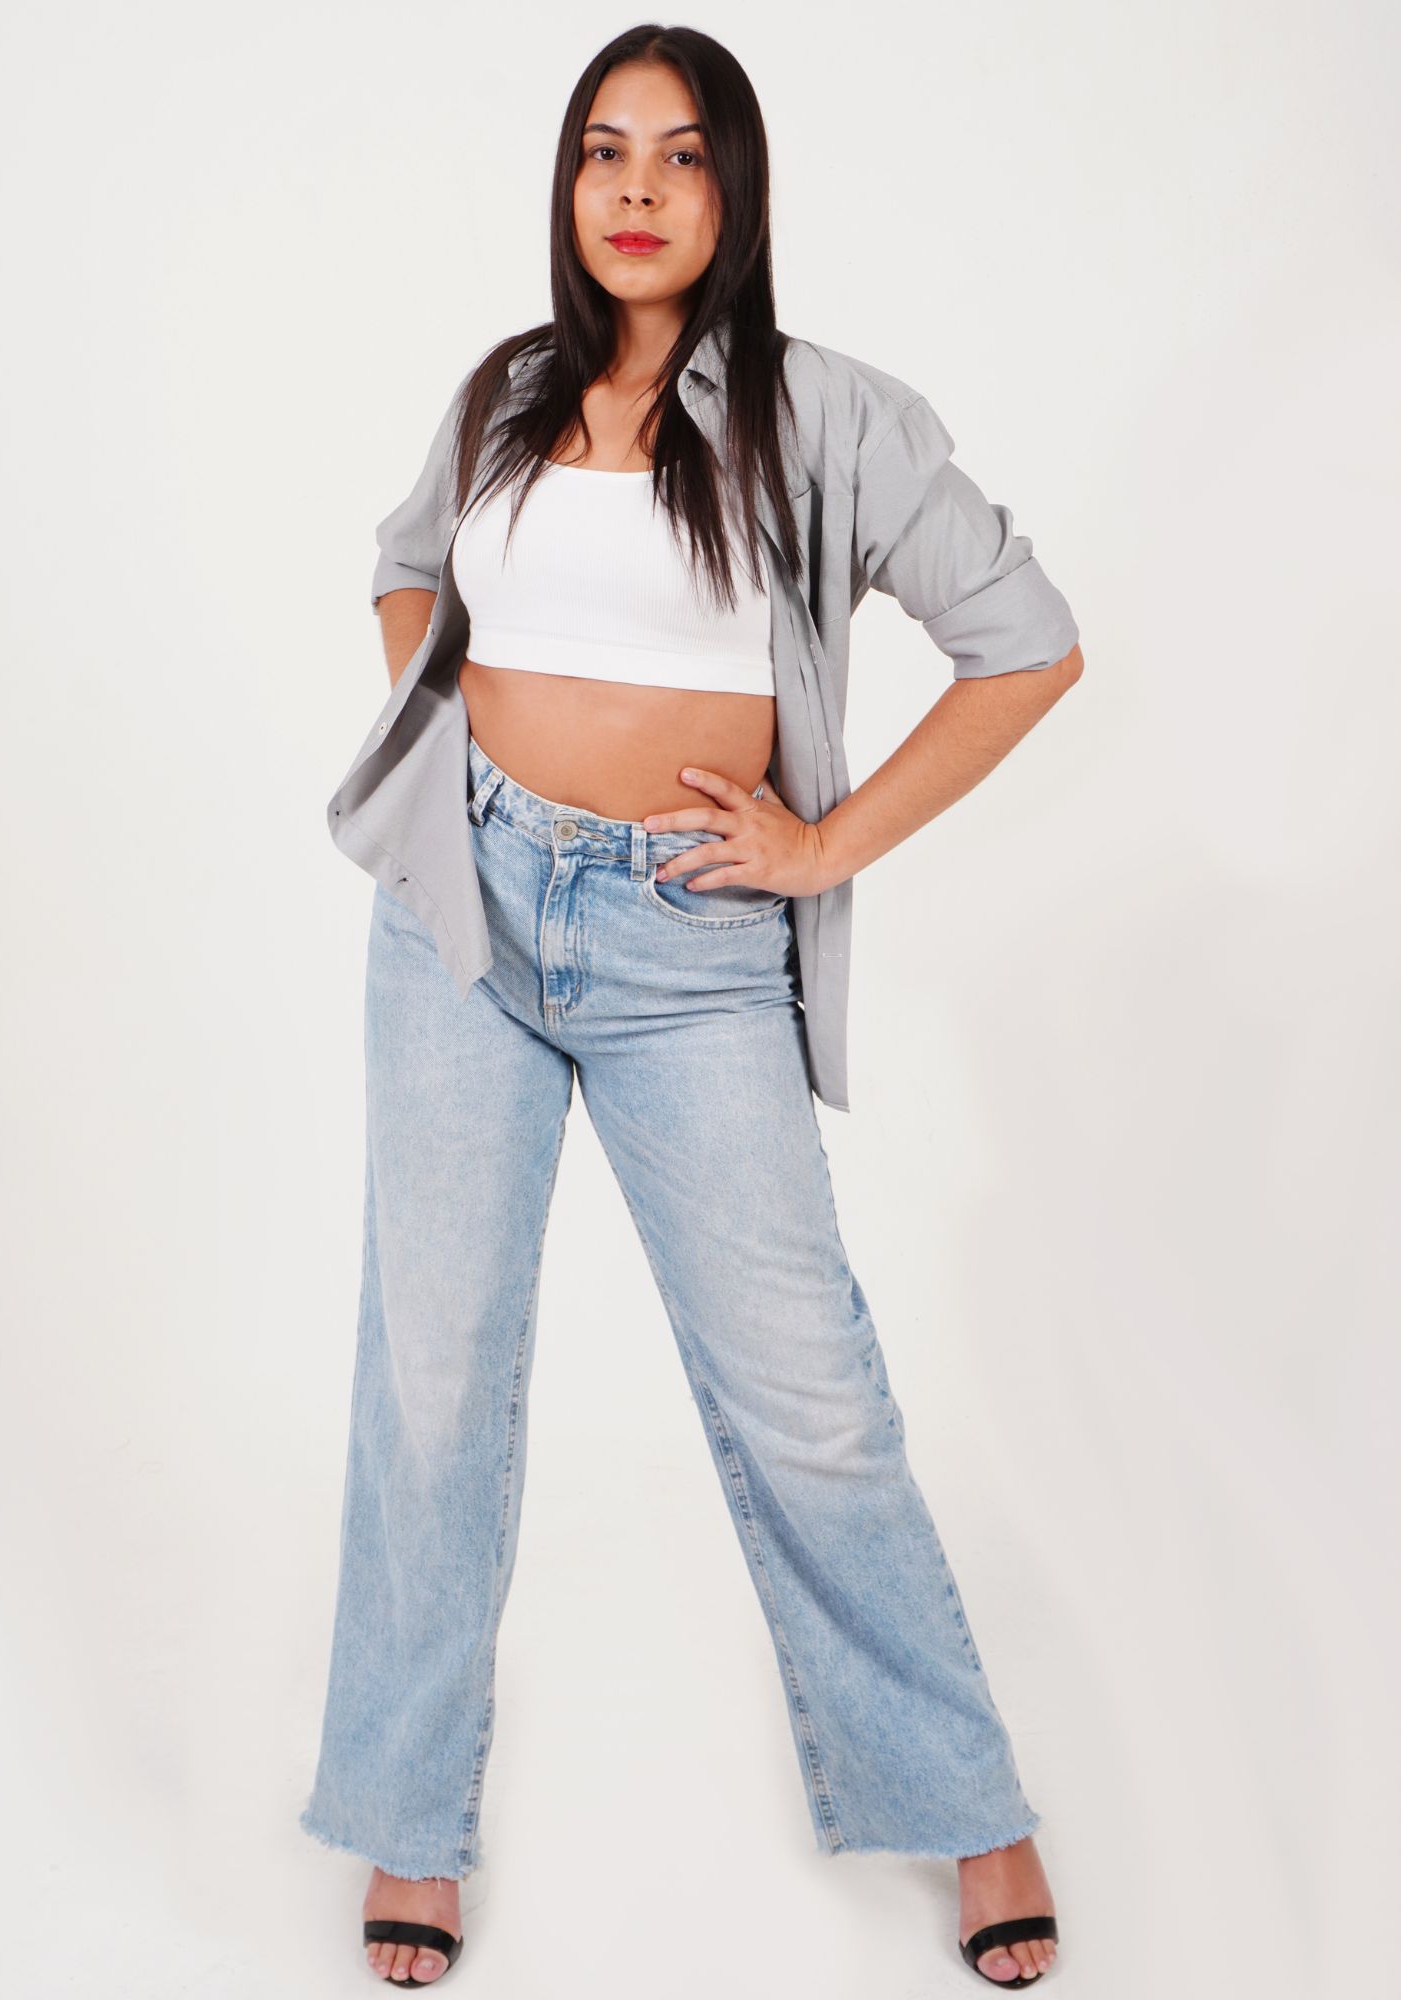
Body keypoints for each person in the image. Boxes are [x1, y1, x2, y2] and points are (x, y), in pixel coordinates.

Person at [299, 23, 1080, 1992]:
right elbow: (403, 571)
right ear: (567, 187)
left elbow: (1024, 641)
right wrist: (434, 744)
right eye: (601, 151)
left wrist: (825, 846)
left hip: (687, 942)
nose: (634, 188)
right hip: (462, 914)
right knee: (429, 1378)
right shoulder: (504, 392)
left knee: (805, 1390)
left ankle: (966, 1801)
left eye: (677, 154)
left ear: (734, 188)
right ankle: (406, 1822)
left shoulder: (823, 416)